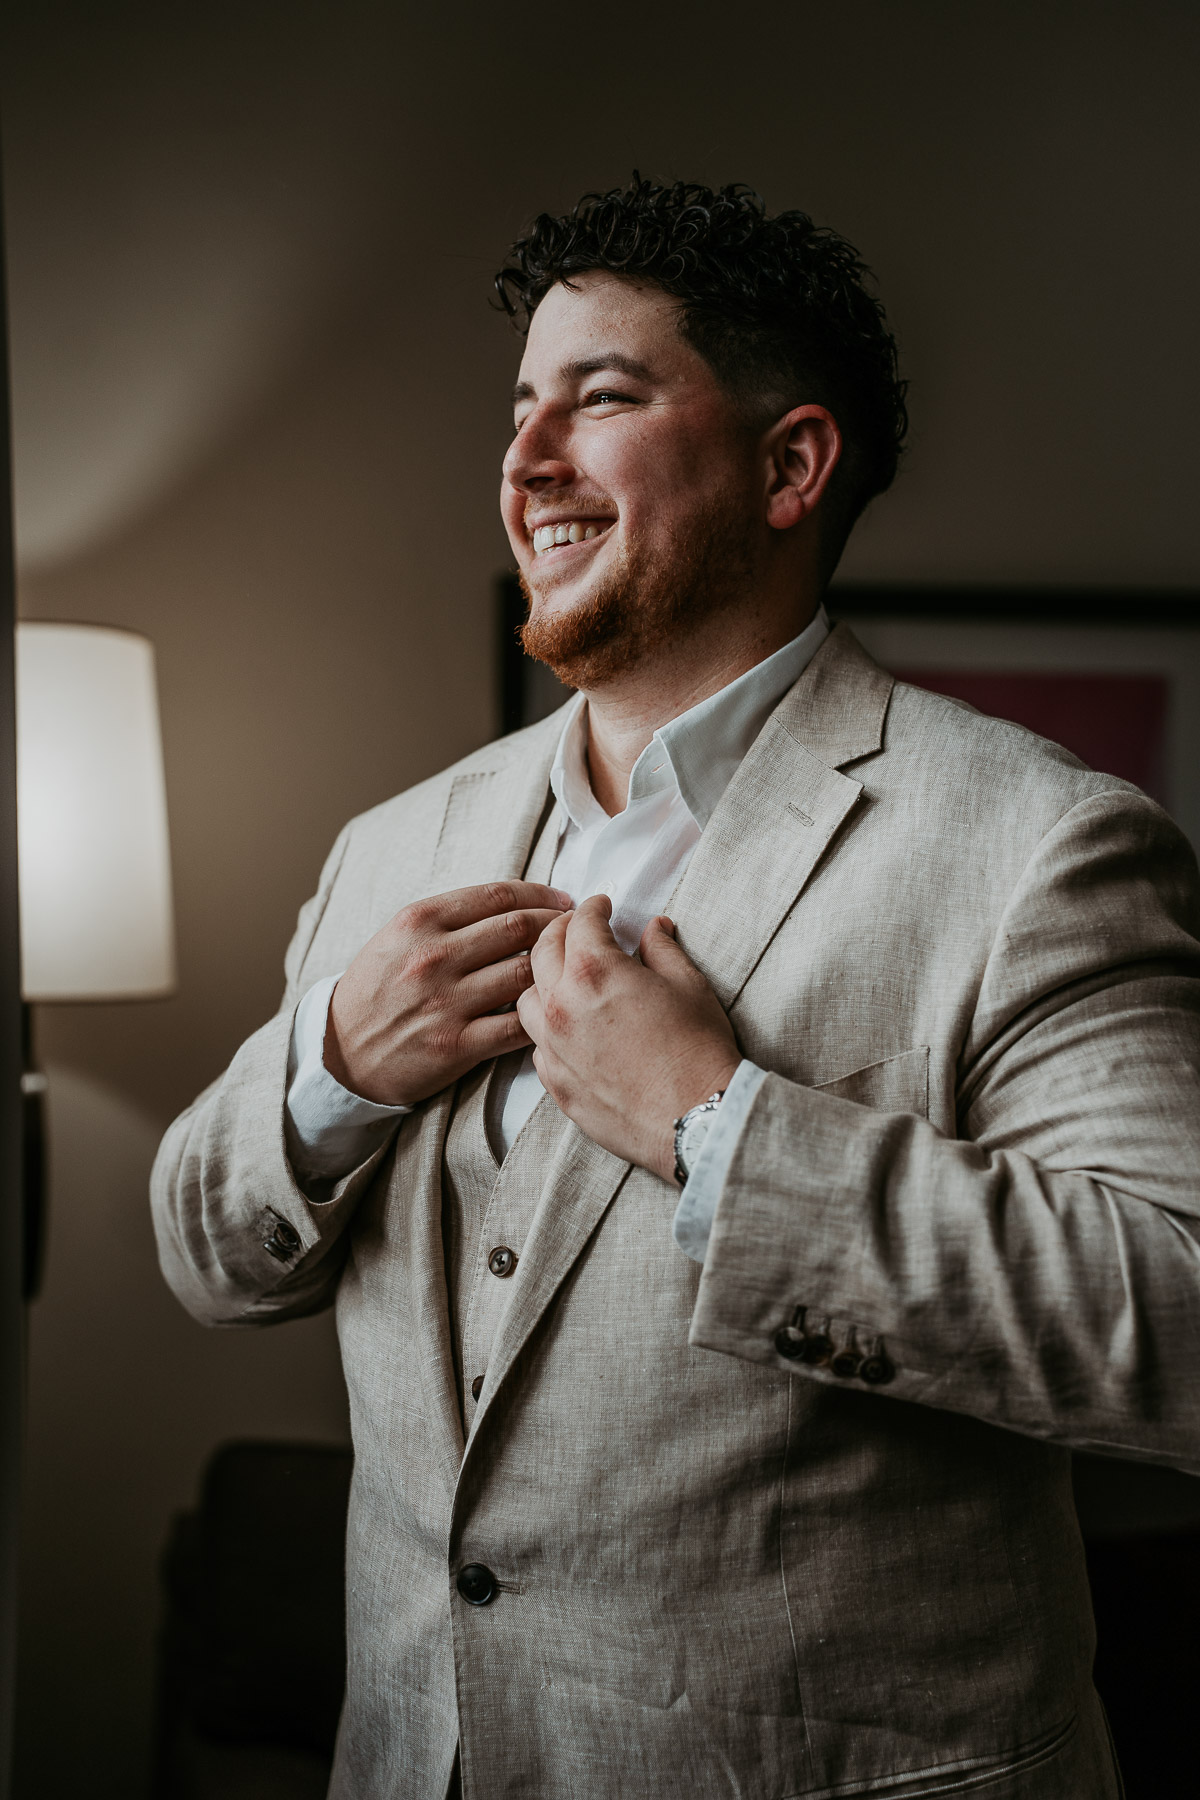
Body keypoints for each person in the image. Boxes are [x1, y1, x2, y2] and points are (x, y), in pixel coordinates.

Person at [152, 177, 1200, 1799]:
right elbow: (203, 1255)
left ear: (791, 466)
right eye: (519, 409)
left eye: (605, 397)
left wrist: (719, 1129)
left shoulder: (1041, 845)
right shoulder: (393, 844)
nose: (526, 459)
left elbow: (1182, 1325)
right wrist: (336, 1071)